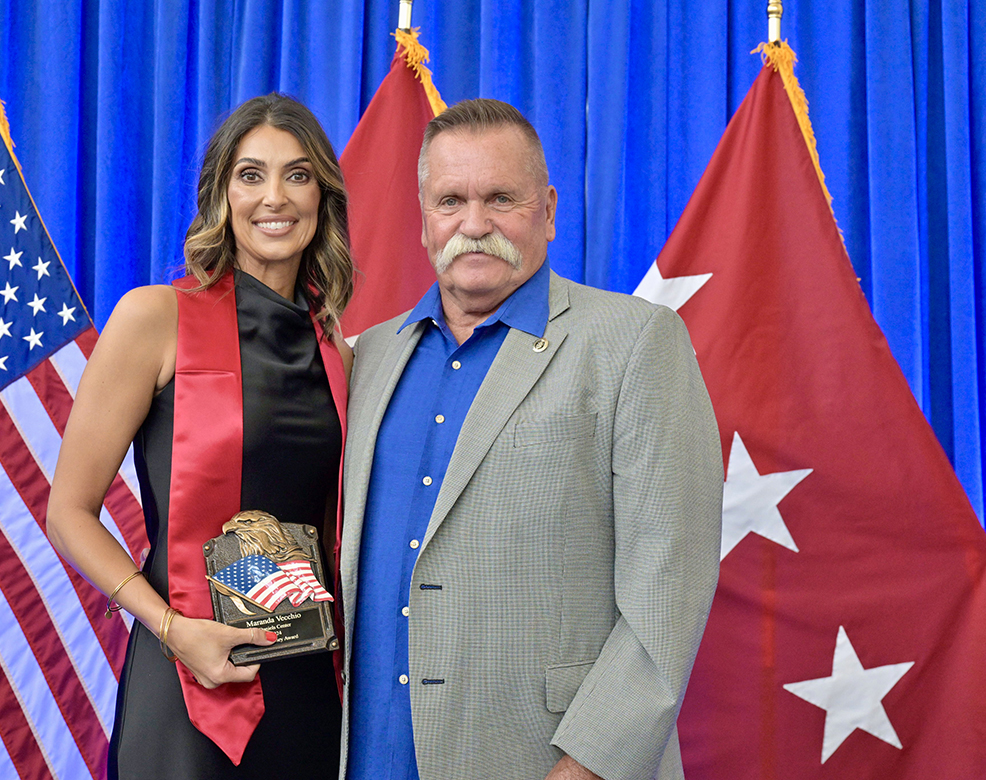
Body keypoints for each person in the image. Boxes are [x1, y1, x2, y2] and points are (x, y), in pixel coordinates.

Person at [339, 99, 723, 780]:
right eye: (451, 201)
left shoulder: (636, 342)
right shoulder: (367, 356)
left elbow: (668, 591)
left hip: (545, 763)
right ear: (424, 219)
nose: (474, 224)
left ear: (547, 210)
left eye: (500, 198)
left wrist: (584, 770)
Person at [47, 93, 354, 780]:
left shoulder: (338, 351)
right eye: (251, 175)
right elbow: (68, 512)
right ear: (222, 194)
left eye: (297, 175)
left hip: (305, 682)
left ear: (322, 197)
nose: (274, 197)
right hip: (184, 675)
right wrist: (171, 629)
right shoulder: (156, 318)